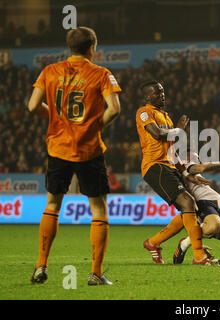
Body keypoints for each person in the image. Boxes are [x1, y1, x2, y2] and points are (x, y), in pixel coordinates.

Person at [28, 27, 122, 285]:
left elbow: (32, 105)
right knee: (98, 208)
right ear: (92, 47)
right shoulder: (101, 74)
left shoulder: (49, 71)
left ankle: (40, 267)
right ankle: (95, 273)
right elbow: (114, 109)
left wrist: (58, 119)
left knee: (52, 206)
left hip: (58, 147)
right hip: (88, 149)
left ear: (70, 47)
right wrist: (95, 125)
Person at [136, 80, 218, 265]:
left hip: (170, 165)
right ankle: (198, 256)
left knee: (190, 208)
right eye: (158, 92)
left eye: (163, 91)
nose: (162, 95)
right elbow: (156, 134)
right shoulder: (144, 112)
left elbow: (171, 149)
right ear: (148, 96)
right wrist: (179, 130)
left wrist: (185, 171)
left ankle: (153, 242)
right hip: (154, 165)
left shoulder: (165, 117)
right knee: (187, 202)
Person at [173, 152, 220, 264]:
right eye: (193, 156)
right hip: (203, 203)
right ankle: (186, 242)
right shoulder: (187, 167)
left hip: (212, 205)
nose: (197, 158)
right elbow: (202, 167)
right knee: (215, 226)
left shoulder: (190, 174)